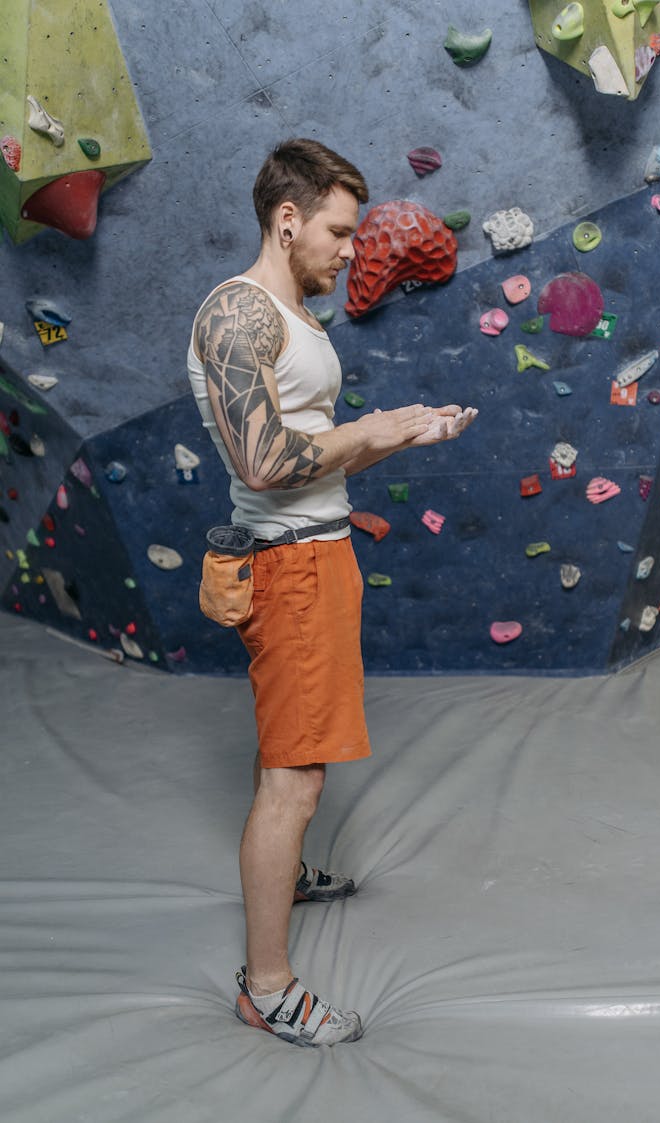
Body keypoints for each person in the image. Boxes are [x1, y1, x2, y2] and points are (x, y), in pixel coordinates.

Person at [187, 138, 477, 1047]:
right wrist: (372, 428)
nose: (353, 252)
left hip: (317, 554)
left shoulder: (293, 314)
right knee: (294, 782)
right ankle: (266, 984)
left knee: (293, 752)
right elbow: (266, 463)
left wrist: (408, 434)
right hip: (291, 567)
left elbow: (312, 438)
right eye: (340, 232)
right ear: (287, 219)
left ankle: (290, 878)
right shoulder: (238, 316)